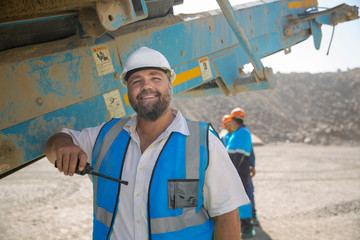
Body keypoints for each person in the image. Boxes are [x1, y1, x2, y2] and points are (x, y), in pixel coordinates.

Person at [45, 46, 250, 240]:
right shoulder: (105, 136)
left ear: (170, 85)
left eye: (156, 78)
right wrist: (63, 146)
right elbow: (56, 143)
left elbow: (226, 217)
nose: (146, 86)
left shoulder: (204, 141)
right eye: (136, 81)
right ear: (128, 91)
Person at [226, 107, 254, 238]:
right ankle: (242, 225)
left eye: (231, 120)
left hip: (239, 172)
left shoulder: (243, 133)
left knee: (242, 198)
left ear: (235, 120)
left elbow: (240, 156)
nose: (230, 123)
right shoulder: (237, 132)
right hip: (236, 171)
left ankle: (248, 227)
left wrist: (233, 172)